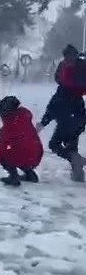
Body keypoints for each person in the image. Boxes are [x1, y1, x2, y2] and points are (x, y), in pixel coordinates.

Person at [37, 54, 86, 182]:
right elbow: (82, 109)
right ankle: (77, 174)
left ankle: (77, 161)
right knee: (72, 147)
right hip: (78, 122)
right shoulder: (78, 92)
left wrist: (42, 124)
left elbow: (52, 109)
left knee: (54, 144)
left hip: (65, 122)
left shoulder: (62, 91)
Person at [0, 96, 43, 186]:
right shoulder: (24, 118)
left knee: (4, 152)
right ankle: (30, 174)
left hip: (24, 154)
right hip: (36, 154)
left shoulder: (9, 127)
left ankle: (13, 177)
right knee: (17, 150)